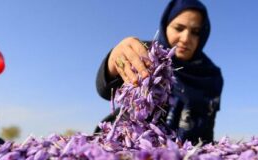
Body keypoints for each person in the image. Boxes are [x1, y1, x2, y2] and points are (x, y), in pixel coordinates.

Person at [95, 0, 223, 144]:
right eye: (179, 28)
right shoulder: (145, 53)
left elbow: (208, 124)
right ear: (165, 26)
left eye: (195, 32)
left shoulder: (210, 74)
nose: (186, 38)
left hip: (183, 153)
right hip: (126, 142)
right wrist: (114, 60)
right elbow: (104, 90)